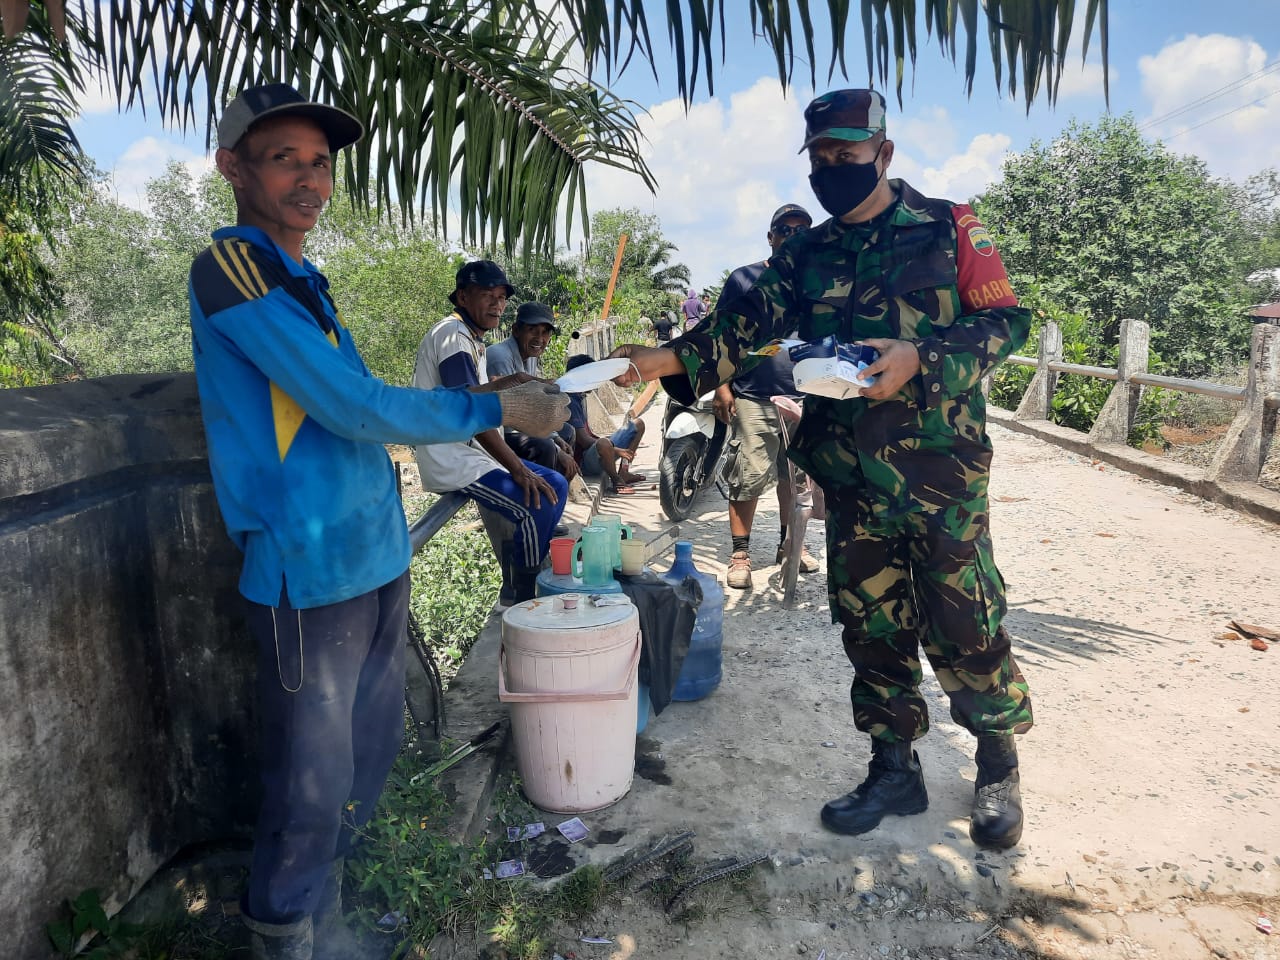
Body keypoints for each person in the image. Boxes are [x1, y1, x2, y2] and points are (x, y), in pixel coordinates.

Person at [187, 83, 568, 960]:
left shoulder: (303, 279)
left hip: (372, 558)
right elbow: (349, 407)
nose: (309, 180)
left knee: (370, 750)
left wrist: (489, 402)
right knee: (308, 780)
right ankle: (283, 930)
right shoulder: (230, 269)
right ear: (233, 166)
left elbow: (362, 409)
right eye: (284, 158)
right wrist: (489, 410)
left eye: (320, 162)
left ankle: (339, 914)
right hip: (307, 572)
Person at [609, 89, 1033, 851]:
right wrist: (660, 359)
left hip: (943, 476)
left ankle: (997, 759)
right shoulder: (808, 253)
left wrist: (923, 359)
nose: (835, 169)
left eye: (849, 154)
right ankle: (893, 766)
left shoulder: (948, 227)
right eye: (823, 158)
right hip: (851, 477)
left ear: (885, 154)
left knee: (964, 621)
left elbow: (1006, 322)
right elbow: (739, 328)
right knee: (872, 625)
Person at [412, 261, 570, 608]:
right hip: (451, 456)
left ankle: (523, 571)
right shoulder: (453, 336)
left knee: (556, 486)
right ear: (463, 296)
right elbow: (468, 406)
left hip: (470, 452)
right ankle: (521, 594)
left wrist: (519, 381)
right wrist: (517, 467)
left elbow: (479, 396)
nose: (497, 304)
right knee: (533, 507)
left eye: (501, 298)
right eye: (488, 296)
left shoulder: (472, 339)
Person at [712, 202, 821, 589]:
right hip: (753, 395)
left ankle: (789, 547)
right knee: (749, 475)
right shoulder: (745, 279)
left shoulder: (817, 284)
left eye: (802, 230)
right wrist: (722, 387)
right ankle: (740, 553)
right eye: (785, 230)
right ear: (771, 237)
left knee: (796, 479)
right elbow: (719, 338)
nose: (794, 236)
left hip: (805, 397)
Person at [486, 301, 579, 481]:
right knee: (546, 448)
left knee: (566, 431)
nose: (540, 338)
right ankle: (539, 503)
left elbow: (534, 405)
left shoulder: (530, 355)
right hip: (496, 433)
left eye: (545, 332)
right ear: (516, 330)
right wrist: (556, 447)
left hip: (518, 423)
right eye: (533, 330)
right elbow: (512, 416)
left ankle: (557, 492)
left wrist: (554, 436)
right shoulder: (500, 357)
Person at [563, 353, 647, 495]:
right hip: (583, 461)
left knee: (637, 424)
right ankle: (616, 480)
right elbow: (583, 441)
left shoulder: (580, 395)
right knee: (604, 443)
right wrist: (617, 450)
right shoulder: (570, 399)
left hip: (592, 452)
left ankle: (624, 471)